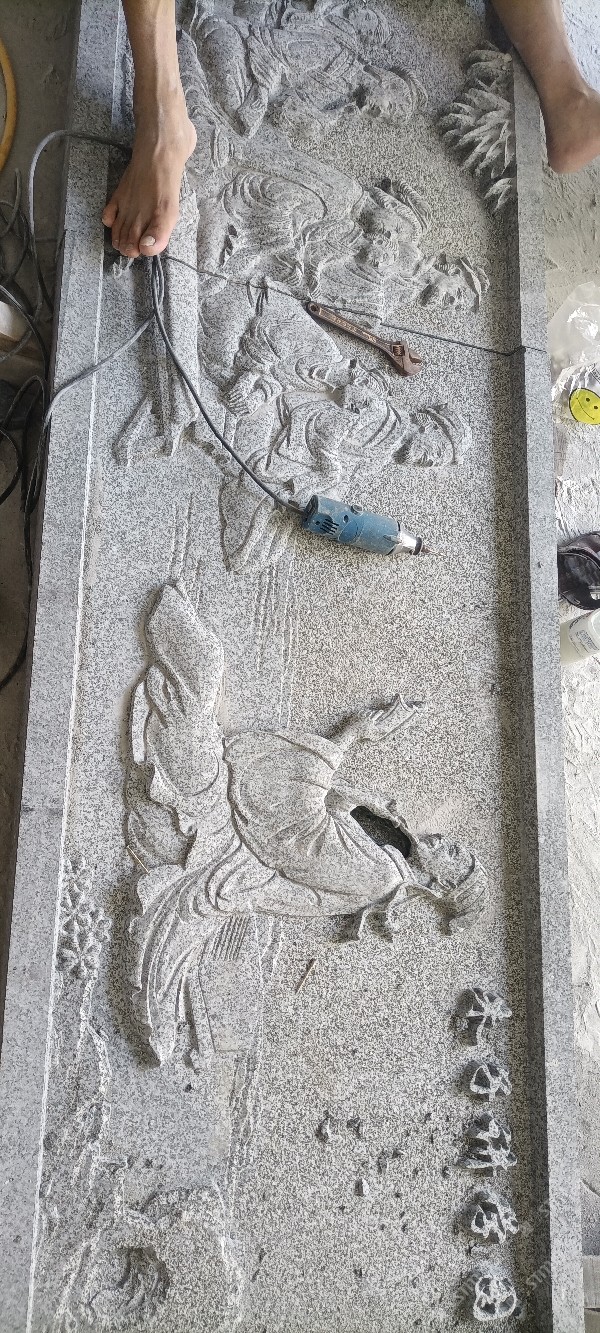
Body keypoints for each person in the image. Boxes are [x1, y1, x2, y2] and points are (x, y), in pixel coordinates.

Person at [103, 0, 600, 259]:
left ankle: (566, 96)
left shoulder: (341, 86)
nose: (381, 108)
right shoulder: (338, 54)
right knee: (229, 95)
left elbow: (294, 115)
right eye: (390, 99)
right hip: (243, 48)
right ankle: (164, 118)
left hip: (260, 85)